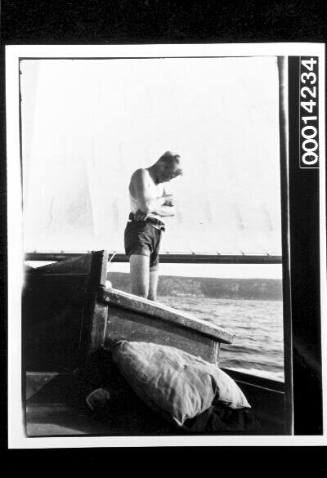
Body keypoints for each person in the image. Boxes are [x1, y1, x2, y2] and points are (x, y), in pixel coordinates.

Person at [124, 151, 183, 301]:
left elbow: (172, 211)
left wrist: (154, 206)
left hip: (157, 233)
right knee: (140, 295)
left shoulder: (161, 186)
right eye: (170, 176)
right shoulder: (141, 175)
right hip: (140, 231)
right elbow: (144, 207)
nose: (169, 181)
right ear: (162, 165)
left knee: (151, 299)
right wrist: (162, 201)